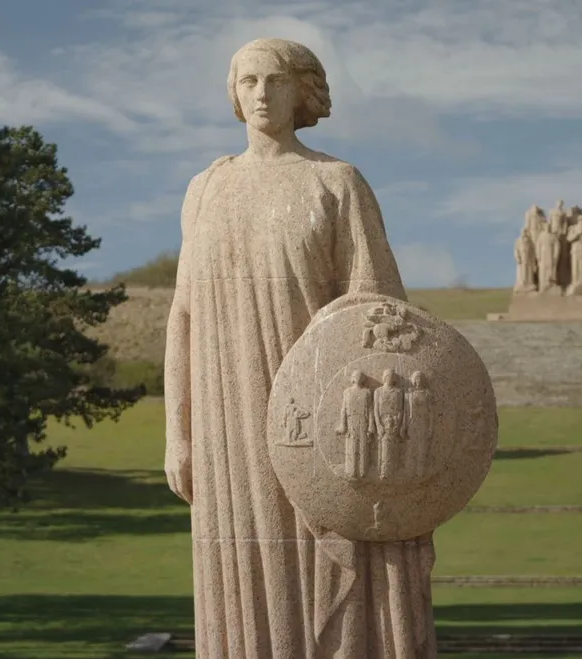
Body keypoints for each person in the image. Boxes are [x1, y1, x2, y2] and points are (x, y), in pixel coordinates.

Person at [163, 38, 436, 658]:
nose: (261, 94)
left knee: (329, 562)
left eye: (276, 80)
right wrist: (179, 434)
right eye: (248, 81)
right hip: (225, 422)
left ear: (301, 91)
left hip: (312, 417)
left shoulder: (335, 183)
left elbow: (379, 321)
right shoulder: (204, 189)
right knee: (238, 569)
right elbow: (183, 315)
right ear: (234, 94)